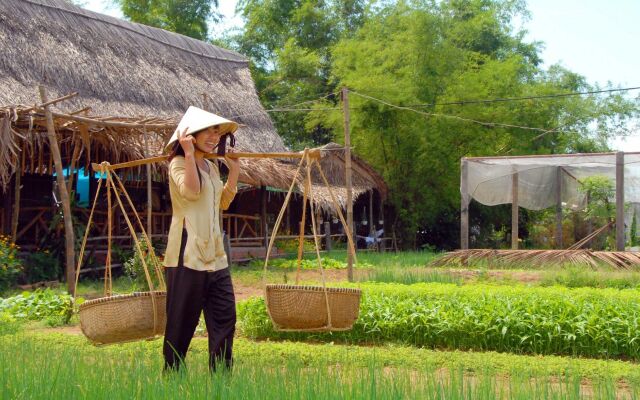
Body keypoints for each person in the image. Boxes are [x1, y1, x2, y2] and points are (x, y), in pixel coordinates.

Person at [161, 106, 240, 373]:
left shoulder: (213, 167)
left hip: (216, 255)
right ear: (190, 134)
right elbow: (191, 193)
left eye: (217, 131)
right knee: (182, 322)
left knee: (225, 317)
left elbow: (223, 203)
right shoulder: (178, 163)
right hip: (187, 253)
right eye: (208, 130)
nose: (214, 136)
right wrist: (190, 155)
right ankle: (172, 376)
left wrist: (235, 171)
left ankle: (220, 378)